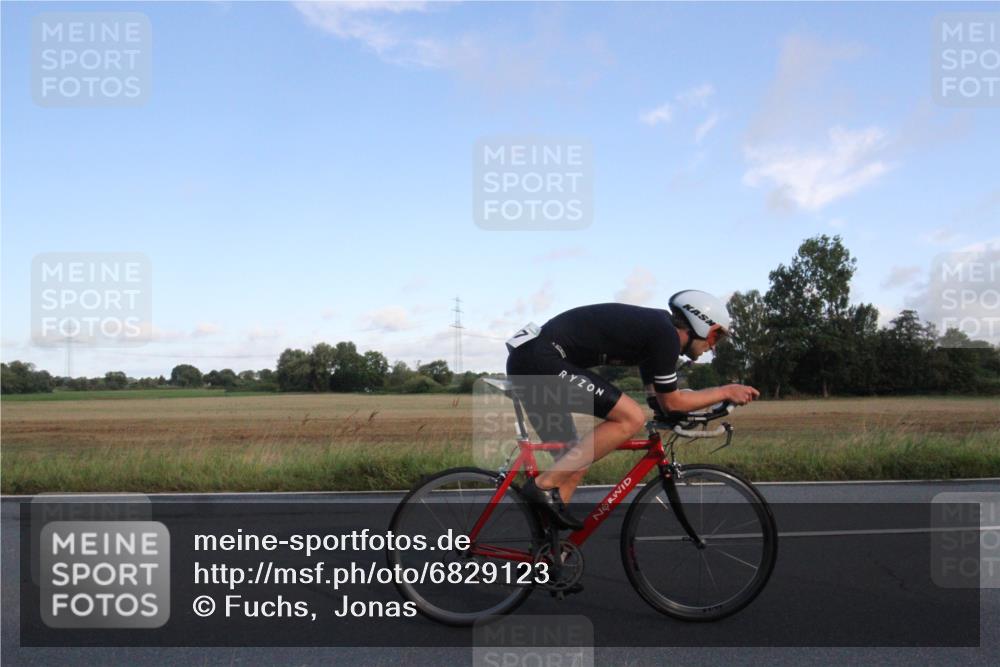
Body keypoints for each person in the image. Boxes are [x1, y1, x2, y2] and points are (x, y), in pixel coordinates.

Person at [505, 290, 759, 530]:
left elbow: (661, 403)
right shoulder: (665, 335)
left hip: (530, 359)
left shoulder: (657, 337)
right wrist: (726, 391)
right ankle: (541, 486)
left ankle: (548, 557)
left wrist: (696, 413)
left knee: (574, 461)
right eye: (716, 336)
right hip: (539, 361)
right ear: (701, 324)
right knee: (630, 417)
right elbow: (673, 402)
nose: (713, 346)